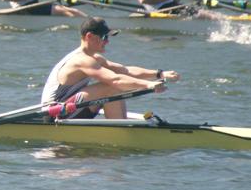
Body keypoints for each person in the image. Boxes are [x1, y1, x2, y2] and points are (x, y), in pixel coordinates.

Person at [40, 17, 178, 119]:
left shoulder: (94, 58)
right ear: (89, 36)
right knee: (111, 87)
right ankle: (121, 132)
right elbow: (116, 80)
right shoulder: (81, 60)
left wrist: (159, 74)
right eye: (104, 37)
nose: (107, 41)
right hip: (54, 113)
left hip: (70, 108)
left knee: (114, 86)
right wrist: (148, 85)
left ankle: (120, 125)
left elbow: (125, 71)